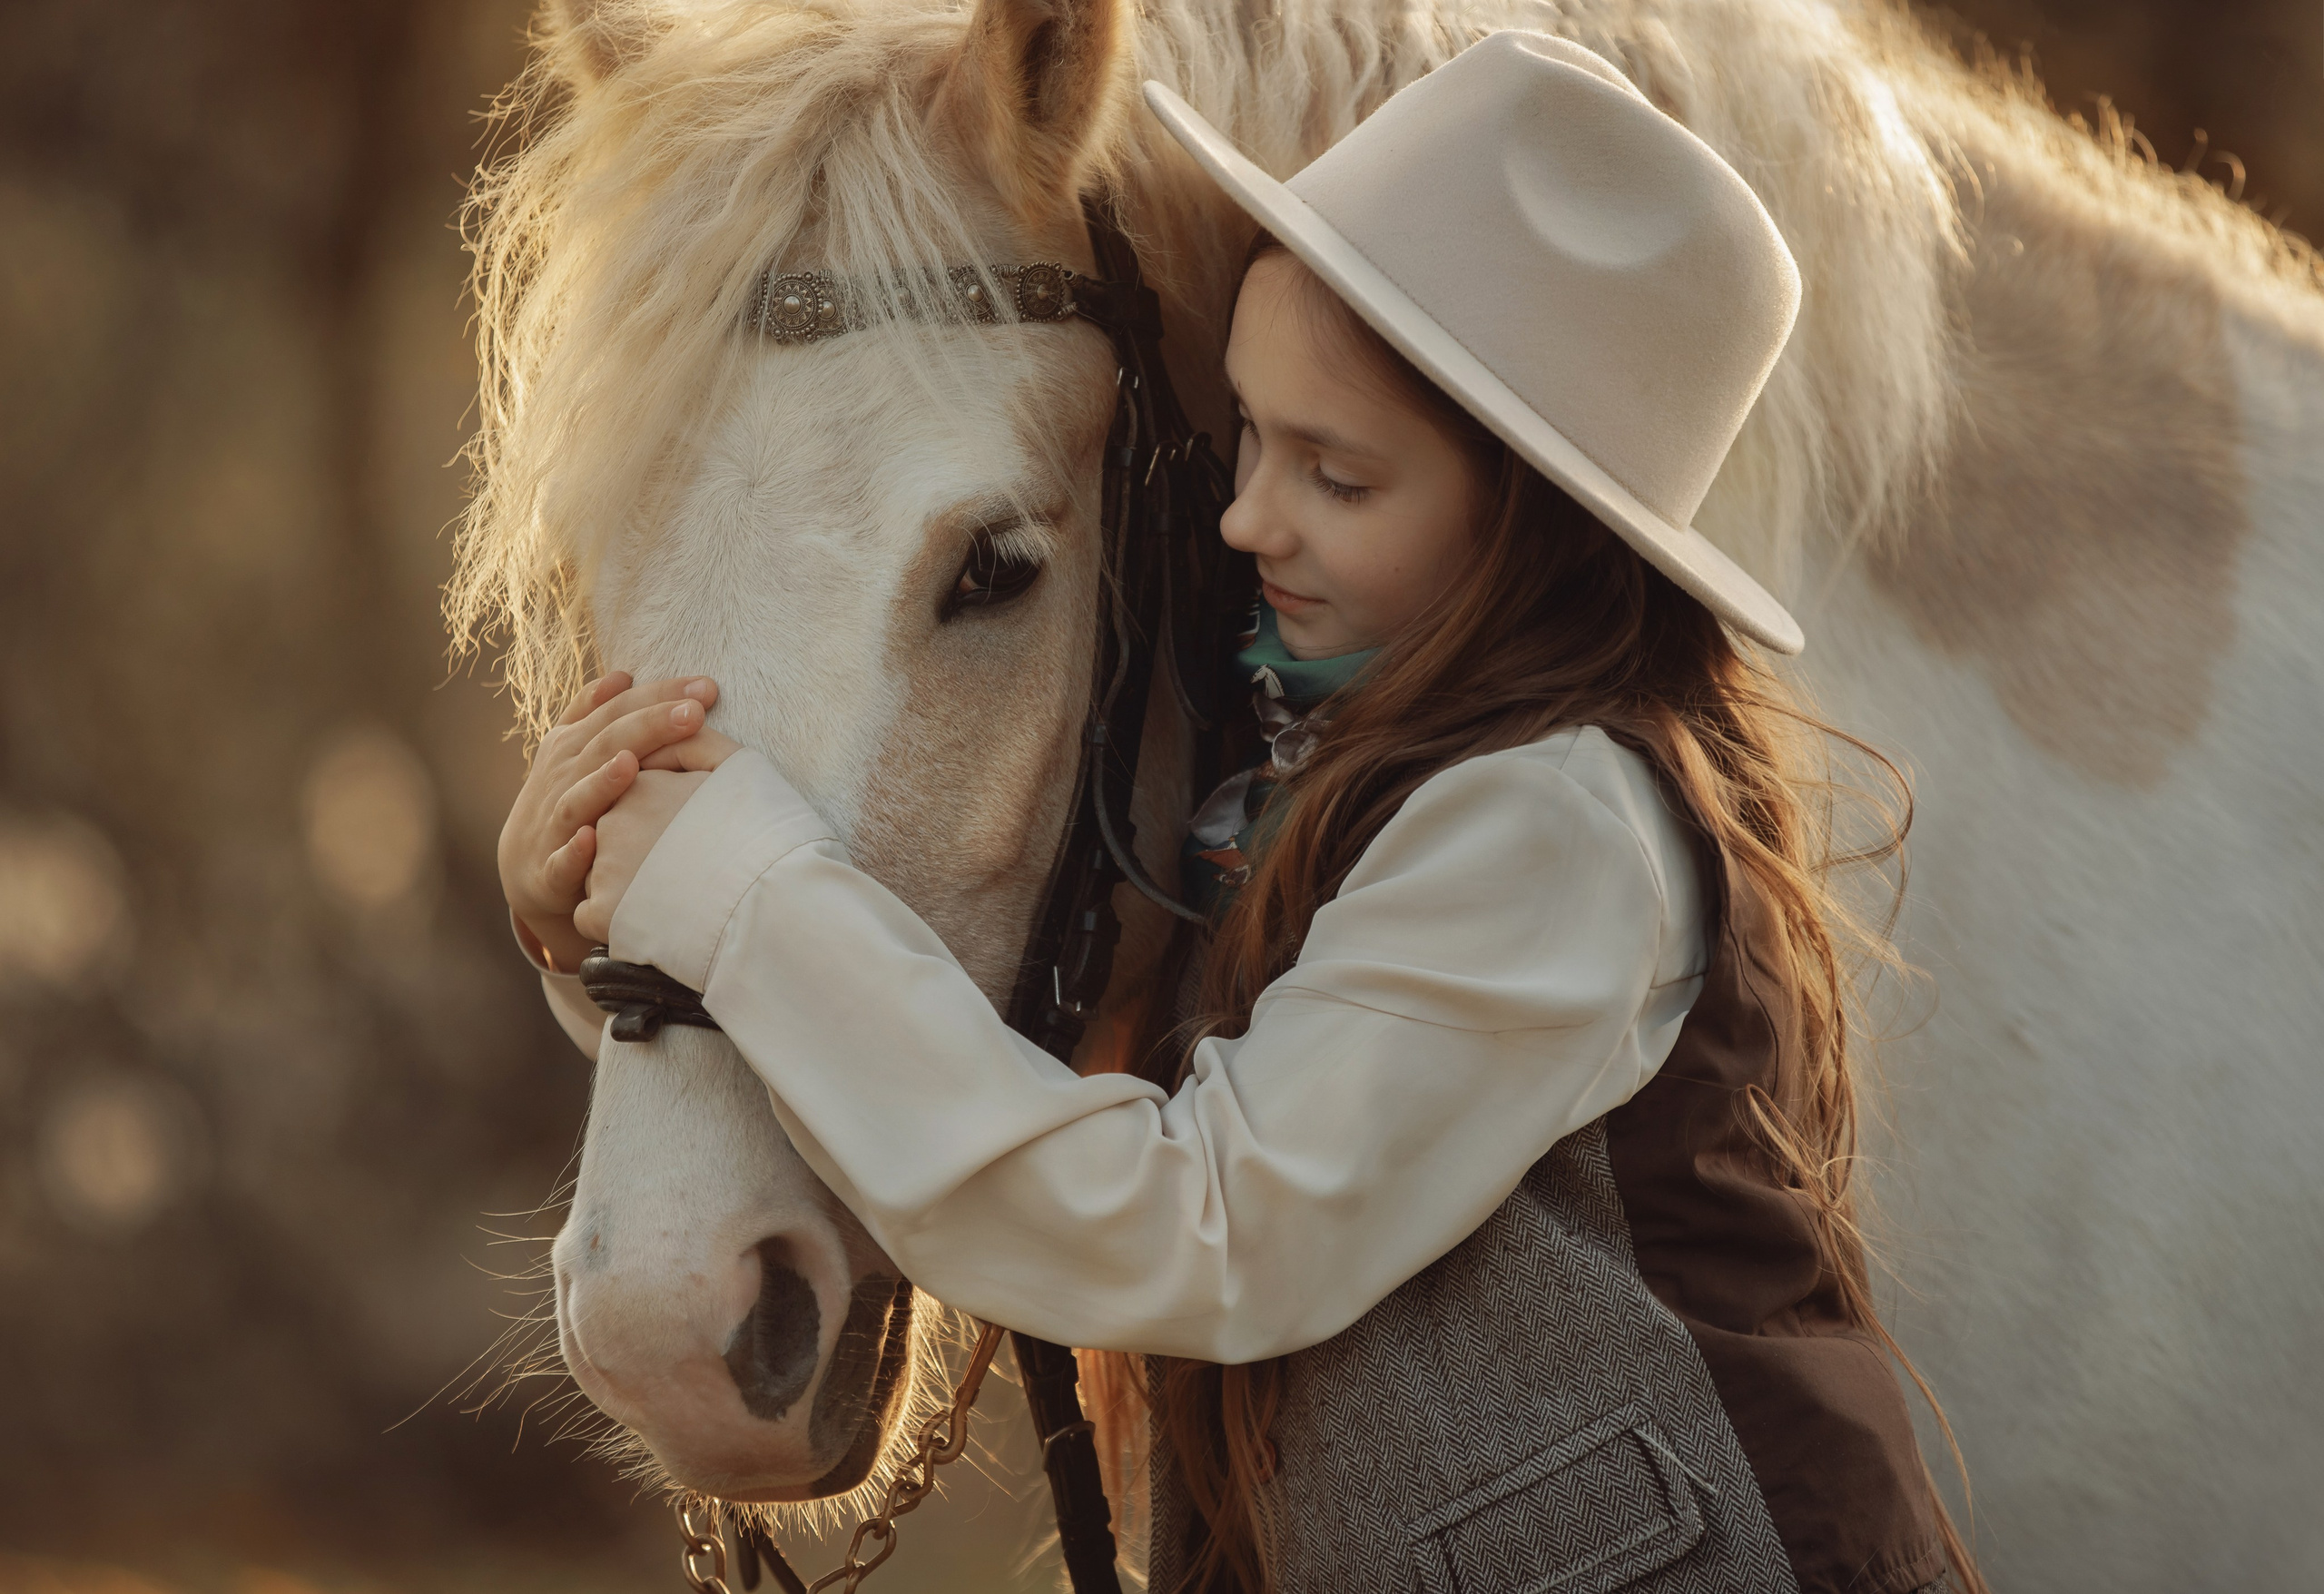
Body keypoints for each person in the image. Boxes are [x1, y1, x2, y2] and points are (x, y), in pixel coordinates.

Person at [498, 32, 1981, 1594]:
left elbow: (1198, 1227)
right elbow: (963, 967)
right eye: (1251, 437)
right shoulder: (1295, 766)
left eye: (1337, 477)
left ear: (1532, 527)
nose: (1246, 515)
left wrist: (739, 897)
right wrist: (624, 932)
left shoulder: (1559, 836)